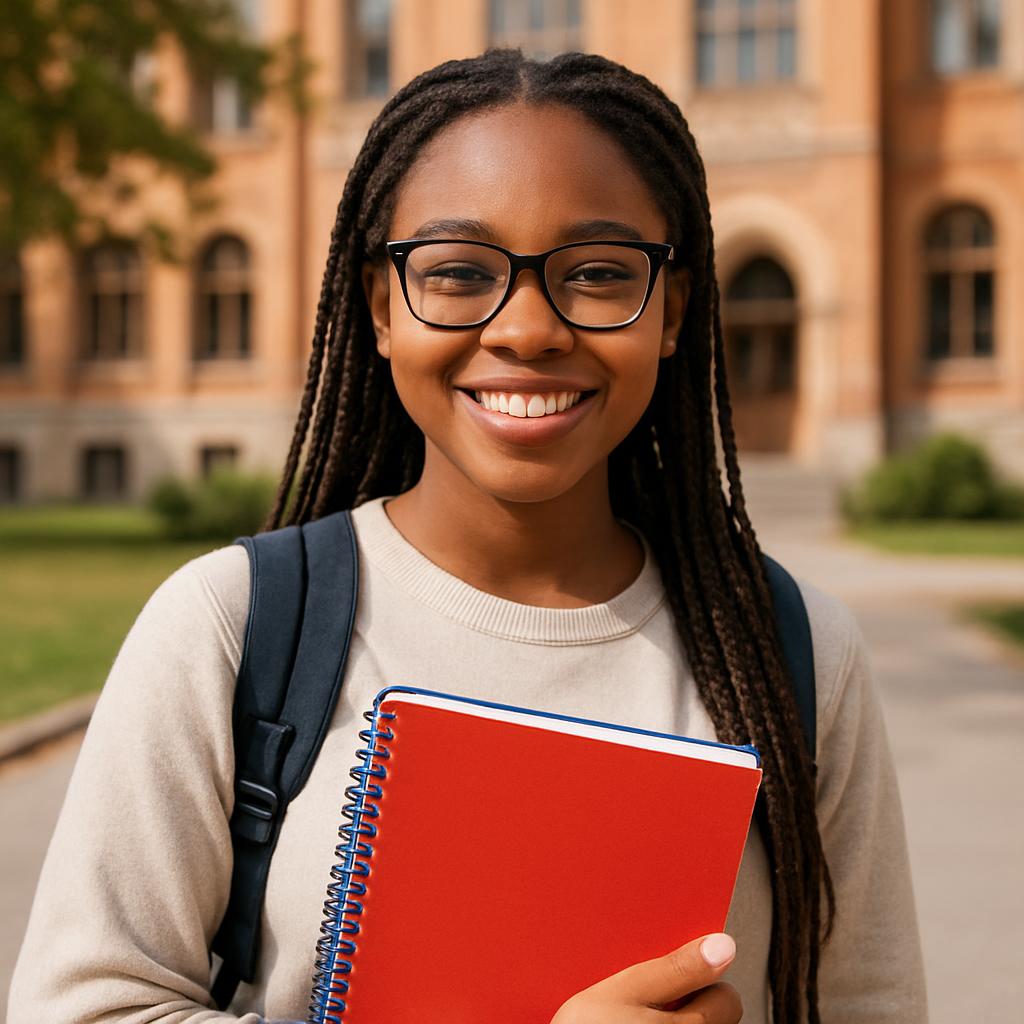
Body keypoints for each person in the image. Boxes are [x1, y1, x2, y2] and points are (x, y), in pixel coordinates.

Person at [8, 49, 928, 1024]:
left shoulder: (794, 654)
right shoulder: (231, 629)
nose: (527, 328)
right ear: (379, 308)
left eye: (599, 271)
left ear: (672, 311)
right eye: (456, 271)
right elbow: (84, 1007)